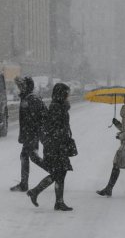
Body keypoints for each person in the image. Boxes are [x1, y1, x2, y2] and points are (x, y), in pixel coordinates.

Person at [27, 83, 75, 211]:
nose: (68, 95)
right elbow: (54, 128)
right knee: (58, 173)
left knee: (59, 173)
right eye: (67, 93)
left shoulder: (60, 106)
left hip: (58, 145)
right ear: (61, 94)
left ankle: (46, 196)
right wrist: (62, 138)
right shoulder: (56, 107)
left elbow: (61, 126)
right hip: (55, 146)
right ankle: (51, 198)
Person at [10, 76, 47, 192]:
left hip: (32, 134)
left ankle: (55, 173)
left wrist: (34, 134)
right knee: (27, 156)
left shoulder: (32, 99)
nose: (19, 88)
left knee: (31, 157)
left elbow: (37, 118)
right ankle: (24, 184)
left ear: (26, 86)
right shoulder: (27, 97)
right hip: (29, 134)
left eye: (21, 86)